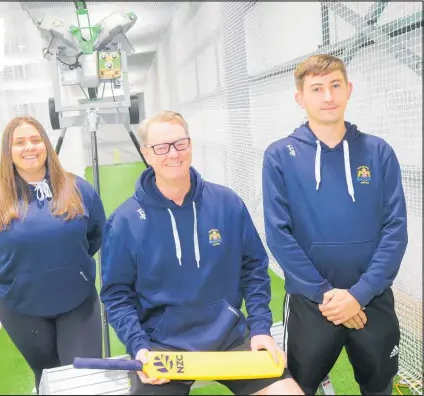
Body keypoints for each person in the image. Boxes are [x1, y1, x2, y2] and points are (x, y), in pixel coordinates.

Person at [100, 110, 303, 395]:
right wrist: (139, 347)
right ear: (147, 154)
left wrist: (260, 328)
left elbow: (254, 269)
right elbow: (116, 295)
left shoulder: (227, 202)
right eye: (161, 147)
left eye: (180, 143)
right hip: (163, 346)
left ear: (190, 145)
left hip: (229, 337)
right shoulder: (124, 221)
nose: (173, 154)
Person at [262, 54, 408, 395]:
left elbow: (395, 229)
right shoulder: (280, 156)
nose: (328, 96)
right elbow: (278, 234)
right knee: (300, 386)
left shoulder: (379, 152)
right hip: (311, 303)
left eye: (335, 85)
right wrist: (328, 295)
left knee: (379, 386)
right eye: (316, 88)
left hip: (372, 298)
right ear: (300, 98)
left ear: (349, 90)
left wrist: (358, 295)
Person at [0, 116, 106, 392]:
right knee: (49, 378)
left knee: (86, 381)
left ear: (46, 145)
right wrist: (19, 276)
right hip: (22, 308)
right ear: (9, 152)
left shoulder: (79, 190)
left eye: (35, 139)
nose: (29, 147)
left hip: (77, 302)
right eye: (19, 142)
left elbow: (95, 235)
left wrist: (69, 267)